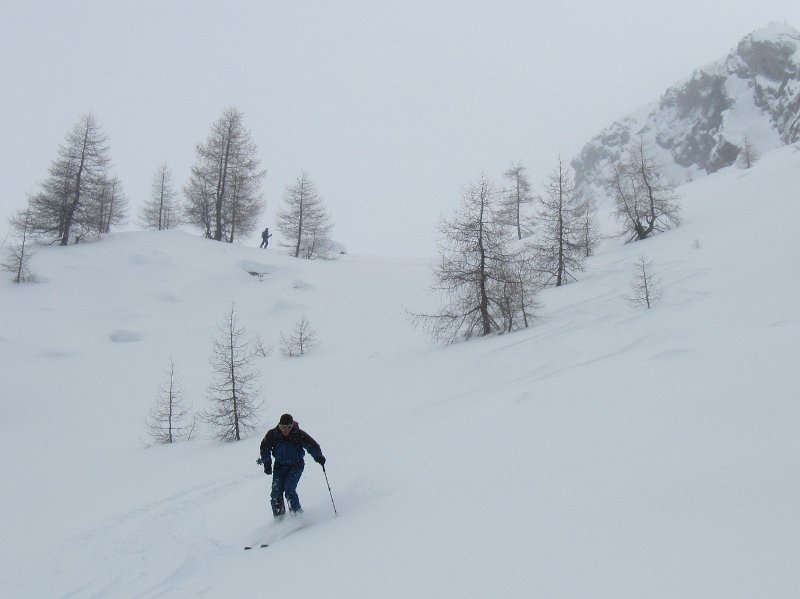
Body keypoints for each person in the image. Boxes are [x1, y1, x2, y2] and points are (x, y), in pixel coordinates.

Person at [258, 414, 326, 517]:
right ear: (279, 426)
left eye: (288, 427)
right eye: (282, 427)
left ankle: (297, 515)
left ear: (292, 426)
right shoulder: (273, 434)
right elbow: (264, 448)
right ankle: (279, 518)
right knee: (276, 493)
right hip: (279, 466)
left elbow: (312, 445)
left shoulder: (298, 434)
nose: (285, 430)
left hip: (296, 465)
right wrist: (267, 463)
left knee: (289, 489)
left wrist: (318, 457)